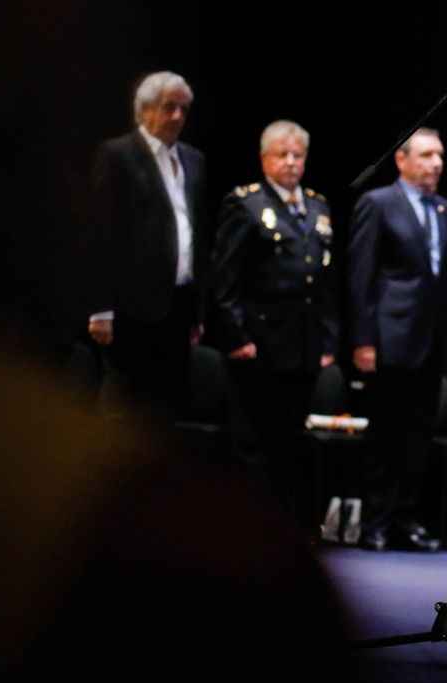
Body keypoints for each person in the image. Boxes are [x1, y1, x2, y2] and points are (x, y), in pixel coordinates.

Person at [208, 120, 339, 525]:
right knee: (255, 442)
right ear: (264, 158)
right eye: (282, 154)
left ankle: (283, 528)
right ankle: (248, 528)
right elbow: (224, 277)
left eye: (297, 155)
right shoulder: (244, 203)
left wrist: (329, 341)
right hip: (259, 340)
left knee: (291, 440)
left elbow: (324, 281)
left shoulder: (317, 205)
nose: (290, 162)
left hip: (303, 341)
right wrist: (236, 336)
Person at [346, 128, 447, 552]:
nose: (436, 163)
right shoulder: (378, 204)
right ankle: (374, 521)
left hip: (432, 341)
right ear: (402, 160)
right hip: (390, 337)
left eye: (440, 155)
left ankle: (406, 519)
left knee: (418, 437)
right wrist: (363, 340)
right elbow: (362, 276)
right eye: (427, 155)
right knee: (385, 436)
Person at [83, 71, 210, 419]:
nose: (177, 117)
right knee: (123, 405)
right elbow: (101, 235)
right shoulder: (118, 155)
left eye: (183, 110)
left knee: (167, 406)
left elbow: (194, 232)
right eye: (169, 108)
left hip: (177, 304)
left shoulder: (193, 159)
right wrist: (100, 309)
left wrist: (196, 311)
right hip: (130, 308)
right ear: (144, 109)